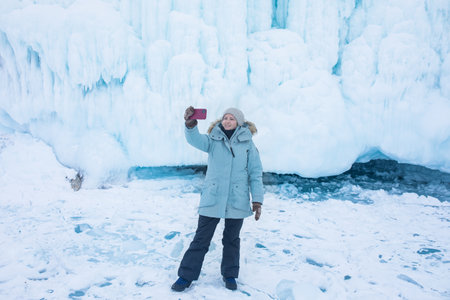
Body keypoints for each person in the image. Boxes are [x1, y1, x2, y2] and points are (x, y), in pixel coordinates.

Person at [171, 106, 264, 292]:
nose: (227, 121)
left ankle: (229, 275)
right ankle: (185, 276)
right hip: (213, 197)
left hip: (236, 199)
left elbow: (255, 173)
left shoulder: (248, 144)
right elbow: (194, 139)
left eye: (231, 118)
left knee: (232, 240)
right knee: (201, 239)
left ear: (239, 122)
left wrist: (257, 200)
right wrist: (190, 124)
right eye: (225, 118)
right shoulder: (213, 139)